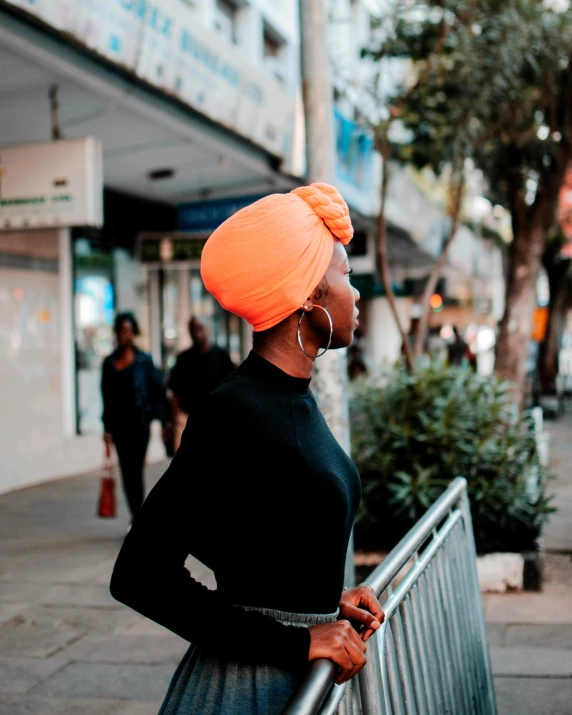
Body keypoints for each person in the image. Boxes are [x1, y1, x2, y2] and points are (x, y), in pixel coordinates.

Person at [110, 183, 384, 714]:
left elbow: (259, 536)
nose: (354, 294)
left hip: (298, 679)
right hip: (250, 691)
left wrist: (323, 604)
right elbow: (140, 575)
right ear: (309, 294)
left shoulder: (293, 396)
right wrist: (296, 638)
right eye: (345, 276)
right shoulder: (235, 410)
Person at [101, 313, 169, 523]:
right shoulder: (109, 363)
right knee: (126, 471)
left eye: (128, 329)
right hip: (119, 426)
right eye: (121, 329)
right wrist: (107, 428)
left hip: (140, 425)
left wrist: (162, 420)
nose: (125, 334)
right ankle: (135, 515)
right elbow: (106, 397)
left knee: (136, 469)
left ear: (134, 332)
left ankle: (138, 518)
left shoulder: (144, 360)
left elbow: (157, 390)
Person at [168, 316, 235, 453]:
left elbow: (233, 389)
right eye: (193, 329)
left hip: (215, 418)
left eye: (199, 328)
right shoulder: (183, 359)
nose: (196, 332)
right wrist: (172, 422)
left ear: (207, 330)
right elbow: (175, 393)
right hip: (187, 418)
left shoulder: (221, 357)